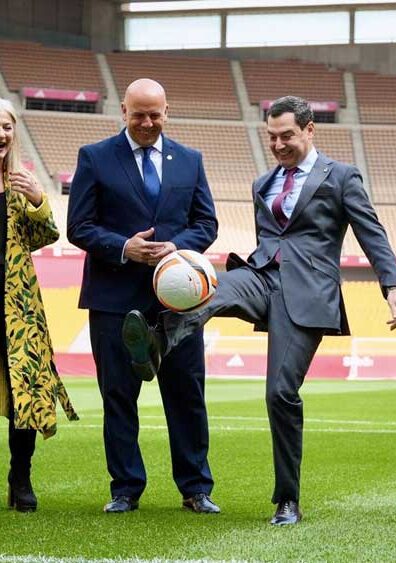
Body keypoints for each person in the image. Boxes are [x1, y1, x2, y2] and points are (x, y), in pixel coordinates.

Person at [122, 95, 396, 526]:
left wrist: (393, 286)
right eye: (272, 136)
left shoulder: (342, 177)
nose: (277, 144)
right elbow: (270, 240)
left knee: (280, 394)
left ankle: (287, 499)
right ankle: (159, 341)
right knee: (209, 288)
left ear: (310, 130)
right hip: (260, 276)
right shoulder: (262, 184)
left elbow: (373, 234)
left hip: (308, 295)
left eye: (287, 135)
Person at [66, 79, 219, 514]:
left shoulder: (190, 160)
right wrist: (123, 247)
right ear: (124, 112)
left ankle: (195, 488)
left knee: (187, 393)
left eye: (155, 114)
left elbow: (206, 223)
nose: (148, 122)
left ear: (167, 111)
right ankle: (125, 489)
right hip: (114, 298)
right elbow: (78, 226)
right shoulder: (94, 157)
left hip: (179, 302)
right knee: (118, 395)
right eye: (139, 115)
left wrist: (178, 246)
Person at [0, 98, 78, 512]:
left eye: (8, 127)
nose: (2, 133)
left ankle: (20, 478)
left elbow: (44, 236)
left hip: (18, 307)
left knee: (24, 395)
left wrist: (37, 201)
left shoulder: (19, 184)